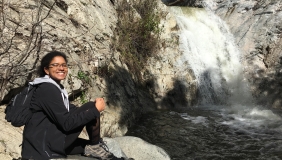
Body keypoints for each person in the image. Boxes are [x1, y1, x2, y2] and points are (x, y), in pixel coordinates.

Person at [21, 51, 127, 160]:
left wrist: (88, 112)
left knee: (86, 145)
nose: (61, 68)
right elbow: (67, 124)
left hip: (42, 142)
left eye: (63, 65)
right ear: (46, 70)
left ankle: (96, 147)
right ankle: (95, 146)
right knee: (91, 107)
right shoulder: (48, 89)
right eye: (55, 65)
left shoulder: (49, 87)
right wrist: (95, 110)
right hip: (43, 147)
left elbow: (67, 110)